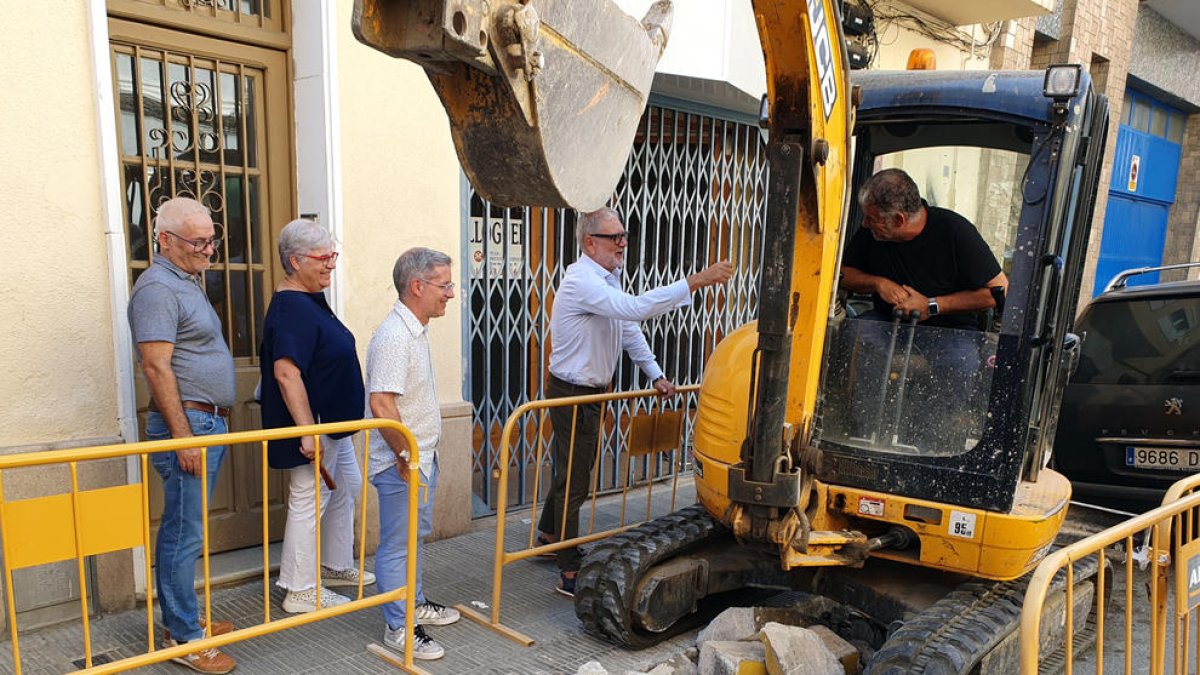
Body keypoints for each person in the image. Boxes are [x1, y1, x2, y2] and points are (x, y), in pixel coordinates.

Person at [539, 207, 734, 597]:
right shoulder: (582, 280)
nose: (623, 243)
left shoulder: (607, 278)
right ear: (590, 242)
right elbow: (634, 310)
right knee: (575, 474)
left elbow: (628, 329)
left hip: (590, 391)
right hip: (573, 391)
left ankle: (549, 533)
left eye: (625, 235)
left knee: (572, 466)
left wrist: (656, 374)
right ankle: (567, 567)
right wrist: (695, 282)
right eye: (615, 237)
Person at [128, 197, 237, 674]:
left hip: (203, 422)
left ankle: (183, 619)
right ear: (164, 240)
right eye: (198, 241)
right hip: (189, 426)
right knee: (182, 532)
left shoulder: (185, 282)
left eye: (211, 239)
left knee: (187, 528)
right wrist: (183, 437)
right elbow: (155, 365)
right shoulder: (156, 288)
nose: (208, 250)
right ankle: (186, 639)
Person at [839, 168, 1008, 449]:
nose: (866, 225)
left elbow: (999, 290)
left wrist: (933, 305)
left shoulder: (955, 232)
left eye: (872, 219)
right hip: (888, 322)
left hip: (950, 331)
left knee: (961, 363)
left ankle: (930, 443)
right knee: (857, 334)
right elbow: (842, 273)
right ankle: (862, 432)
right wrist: (878, 283)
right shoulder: (871, 234)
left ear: (899, 219)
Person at [259, 218, 374, 614]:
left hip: (335, 426)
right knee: (309, 499)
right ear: (295, 260)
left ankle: (334, 564)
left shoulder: (310, 300)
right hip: (316, 425)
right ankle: (300, 588)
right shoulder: (292, 307)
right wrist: (307, 432)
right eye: (323, 258)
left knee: (345, 488)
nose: (331, 265)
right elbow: (286, 372)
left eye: (333, 256)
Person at [365, 247, 462, 661]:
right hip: (401, 463)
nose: (451, 294)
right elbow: (382, 404)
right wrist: (407, 458)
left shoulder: (414, 330)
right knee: (397, 546)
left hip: (418, 457)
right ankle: (398, 626)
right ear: (417, 286)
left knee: (412, 540)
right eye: (444, 285)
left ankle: (414, 602)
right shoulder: (394, 336)